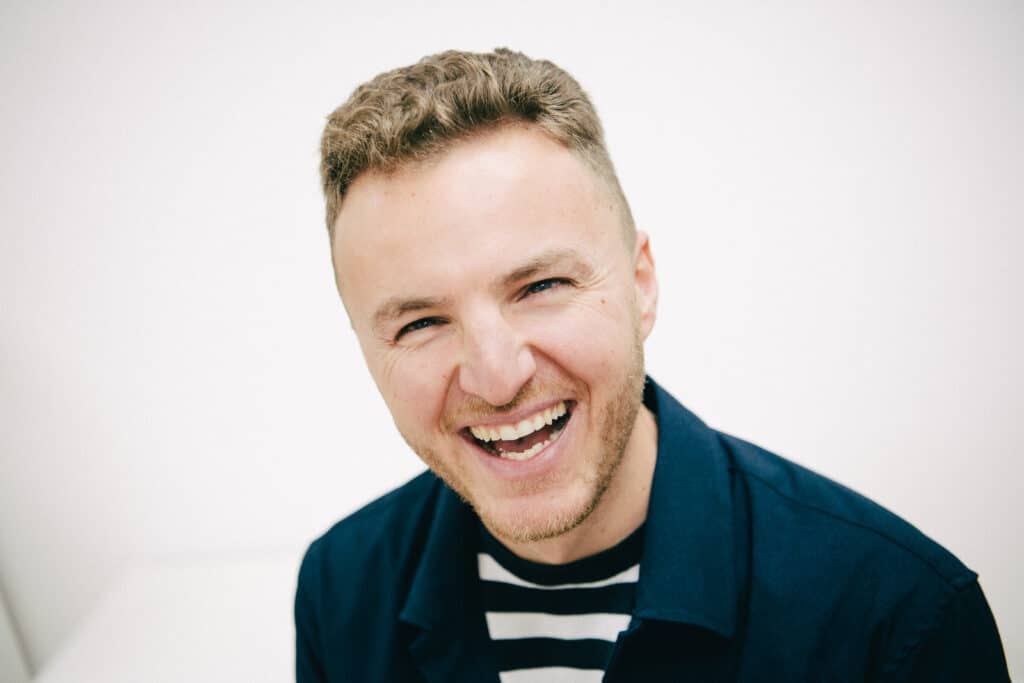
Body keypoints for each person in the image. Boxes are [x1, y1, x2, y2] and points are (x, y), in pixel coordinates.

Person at [295, 48, 1009, 682]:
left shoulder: (896, 618)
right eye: (420, 322)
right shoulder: (341, 592)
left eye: (540, 286)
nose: (495, 375)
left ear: (640, 285)